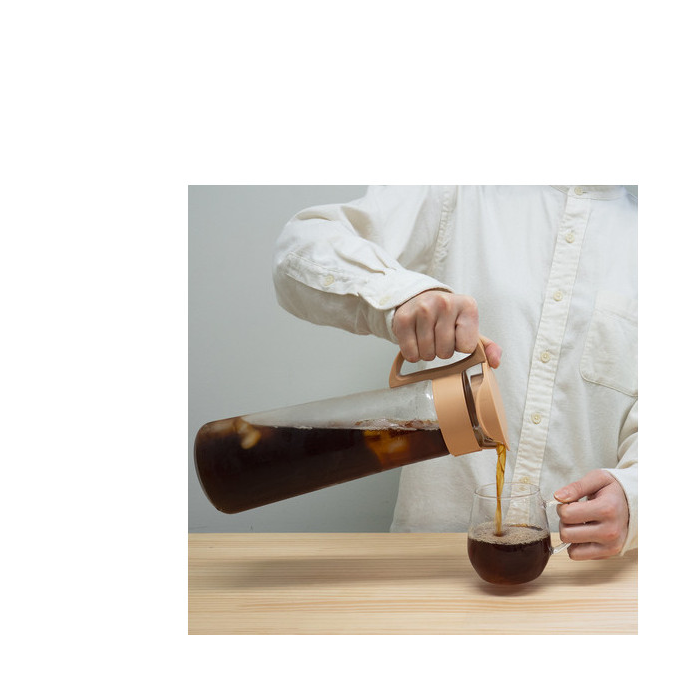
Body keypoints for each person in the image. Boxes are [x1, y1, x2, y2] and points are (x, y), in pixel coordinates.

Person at [272, 185, 637, 558]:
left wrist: (635, 498)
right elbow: (299, 247)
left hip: (578, 570)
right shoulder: (457, 189)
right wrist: (402, 294)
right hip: (428, 564)